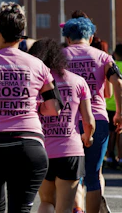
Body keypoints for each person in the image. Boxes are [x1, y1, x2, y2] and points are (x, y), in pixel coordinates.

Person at [0, 2, 62, 213]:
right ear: (21, 36)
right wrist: (33, 107)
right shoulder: (38, 65)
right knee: (21, 210)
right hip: (29, 147)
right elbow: (54, 106)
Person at [28, 38, 96, 213]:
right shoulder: (78, 81)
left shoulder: (35, 82)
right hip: (70, 151)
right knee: (65, 208)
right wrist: (88, 137)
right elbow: (88, 120)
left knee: (46, 202)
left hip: (41, 150)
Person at [62, 17, 122, 213]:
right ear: (90, 37)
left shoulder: (60, 56)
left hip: (68, 120)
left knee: (72, 174)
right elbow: (118, 83)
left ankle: (77, 208)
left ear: (68, 38)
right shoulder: (103, 56)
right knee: (94, 175)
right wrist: (119, 113)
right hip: (97, 118)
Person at [106, 44, 122, 168]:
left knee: (110, 133)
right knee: (120, 133)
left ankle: (110, 157)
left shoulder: (111, 66)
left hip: (109, 105)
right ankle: (121, 158)